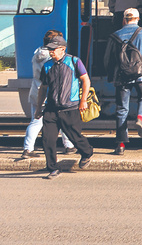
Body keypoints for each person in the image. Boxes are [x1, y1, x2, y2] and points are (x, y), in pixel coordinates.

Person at [36, 35, 94, 179]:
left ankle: (87, 152)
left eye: (53, 49)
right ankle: (53, 168)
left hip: (70, 108)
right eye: (49, 49)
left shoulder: (74, 61)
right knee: (47, 140)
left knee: (75, 137)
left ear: (62, 49)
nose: (51, 52)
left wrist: (83, 100)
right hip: (51, 109)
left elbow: (86, 80)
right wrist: (39, 108)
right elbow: (43, 88)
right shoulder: (47, 66)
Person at [104, 8, 142, 154]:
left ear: (124, 20)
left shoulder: (115, 35)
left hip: (122, 76)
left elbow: (108, 59)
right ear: (138, 19)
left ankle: (120, 145)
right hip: (141, 75)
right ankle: (140, 118)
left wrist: (111, 75)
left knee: (122, 109)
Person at [20, 30, 71, 158]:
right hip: (51, 92)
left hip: (36, 90)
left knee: (36, 121)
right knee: (63, 119)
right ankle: (69, 145)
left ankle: (27, 149)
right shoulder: (52, 57)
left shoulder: (36, 53)